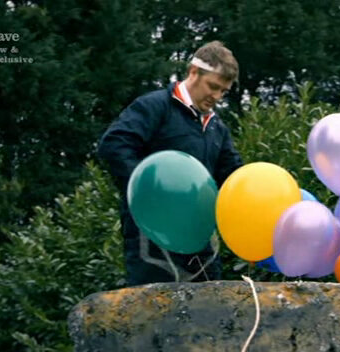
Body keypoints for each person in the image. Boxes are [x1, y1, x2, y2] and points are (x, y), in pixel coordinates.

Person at [97, 41, 243, 286]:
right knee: (153, 316)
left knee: (206, 313)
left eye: (223, 92)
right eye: (213, 87)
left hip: (200, 239)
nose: (216, 97)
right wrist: (150, 193)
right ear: (193, 72)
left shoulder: (218, 128)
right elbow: (113, 145)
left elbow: (233, 175)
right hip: (153, 239)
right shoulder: (154, 107)